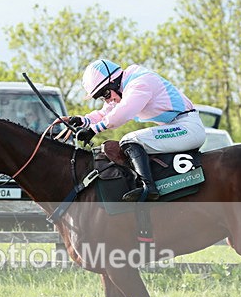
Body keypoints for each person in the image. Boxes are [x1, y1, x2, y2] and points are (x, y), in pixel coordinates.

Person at [63, 59, 206, 202]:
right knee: (132, 140)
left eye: (106, 94)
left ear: (114, 82)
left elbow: (123, 112)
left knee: (129, 139)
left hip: (188, 128)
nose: (107, 100)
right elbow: (105, 113)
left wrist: (94, 130)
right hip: (177, 126)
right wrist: (83, 120)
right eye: (103, 97)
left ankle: (148, 188)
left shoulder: (140, 83)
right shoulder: (124, 87)